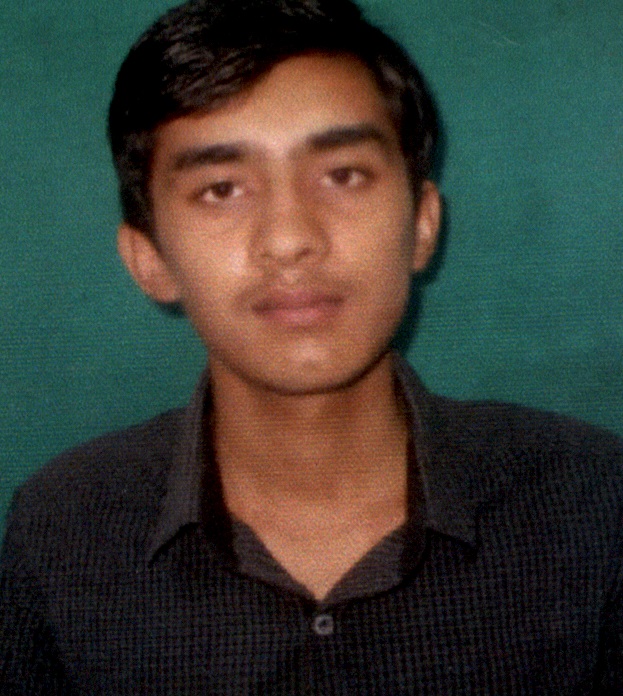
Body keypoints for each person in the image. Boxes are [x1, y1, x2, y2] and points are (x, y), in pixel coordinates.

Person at [1, 0, 622, 692]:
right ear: (149, 259)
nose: (290, 238)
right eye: (221, 189)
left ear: (421, 224)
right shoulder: (63, 529)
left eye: (343, 175)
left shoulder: (593, 503)